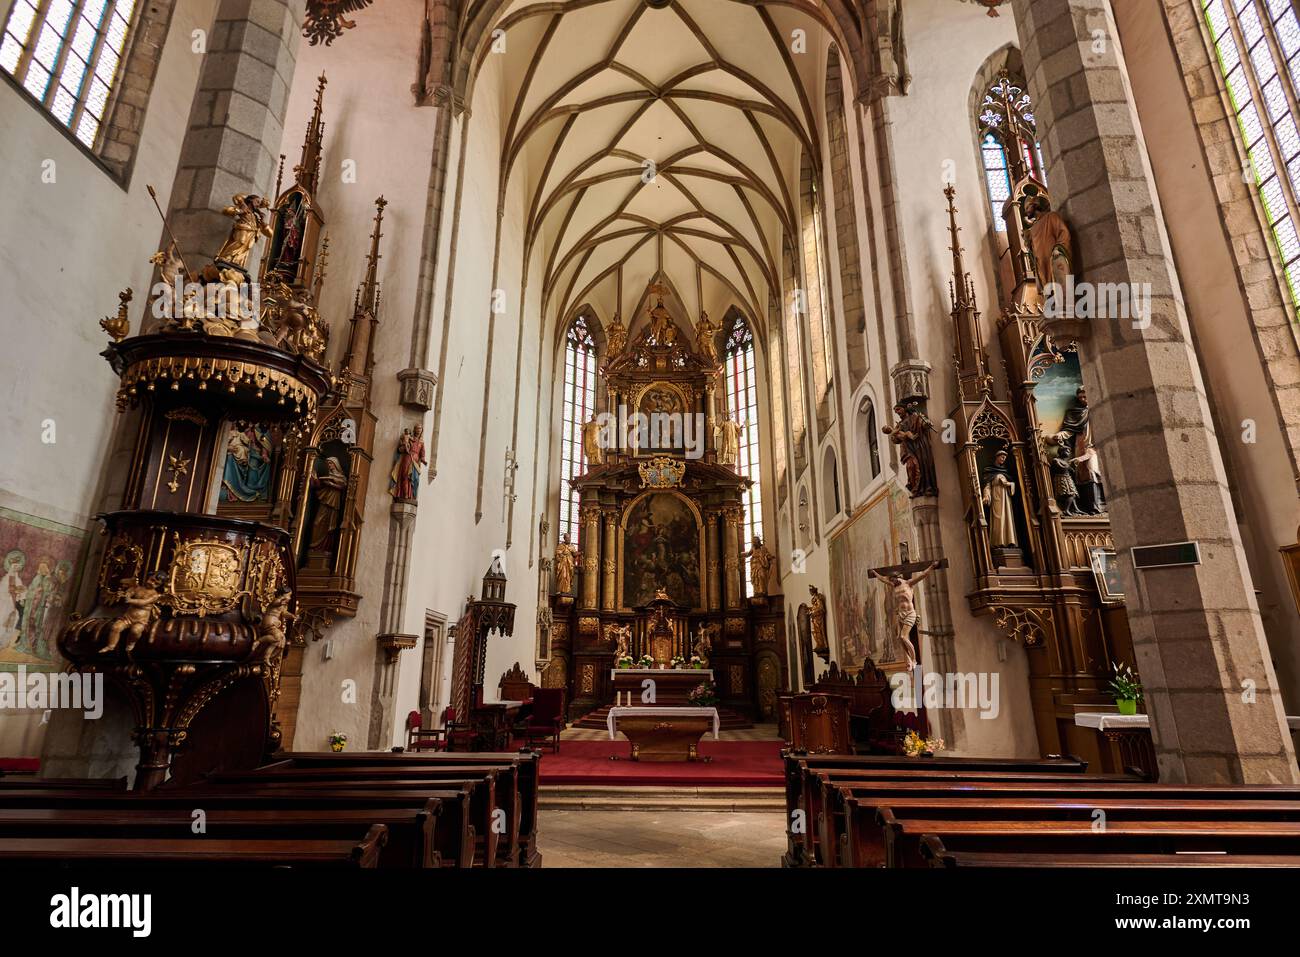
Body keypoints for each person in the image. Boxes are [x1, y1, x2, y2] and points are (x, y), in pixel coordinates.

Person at [869, 561, 940, 671]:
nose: (892, 581)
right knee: (900, 639)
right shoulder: (894, 585)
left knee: (903, 636)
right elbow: (883, 579)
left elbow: (923, 575)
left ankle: (914, 659)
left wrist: (932, 566)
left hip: (910, 613)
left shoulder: (908, 583)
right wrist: (875, 573)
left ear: (898, 577)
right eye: (891, 580)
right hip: (901, 614)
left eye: (893, 579)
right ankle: (909, 660)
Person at [981, 448, 1018, 549]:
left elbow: (1012, 484)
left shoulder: (1005, 471)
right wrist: (986, 496)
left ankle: (1010, 541)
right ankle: (998, 542)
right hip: (996, 497)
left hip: (1006, 498)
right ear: (997, 457)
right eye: (1002, 457)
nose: (1003, 459)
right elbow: (987, 486)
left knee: (1008, 519)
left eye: (1005, 457)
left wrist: (1008, 484)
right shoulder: (989, 471)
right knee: (999, 519)